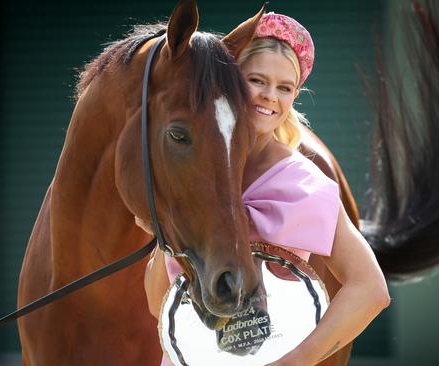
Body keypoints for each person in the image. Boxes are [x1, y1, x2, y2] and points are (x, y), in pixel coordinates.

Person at [143, 12, 390, 366]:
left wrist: (299, 359)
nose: (269, 96)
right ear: (230, 81)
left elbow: (371, 290)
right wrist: (162, 238)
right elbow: (159, 306)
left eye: (285, 87)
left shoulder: (306, 184)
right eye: (256, 80)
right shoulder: (194, 176)